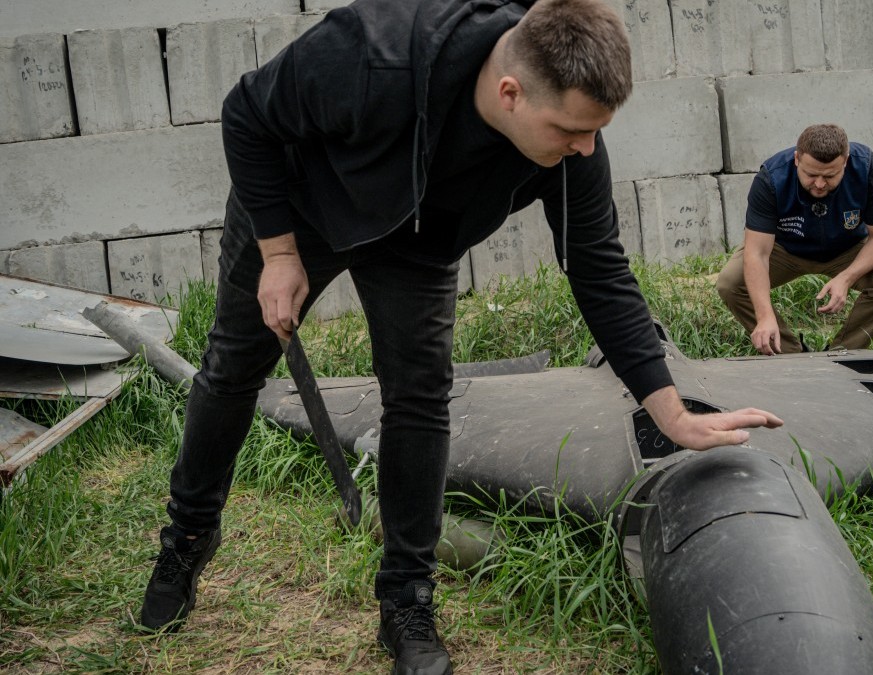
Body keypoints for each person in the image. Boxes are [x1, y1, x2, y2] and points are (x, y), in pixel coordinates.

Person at [137, 0, 783, 673]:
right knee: (233, 369)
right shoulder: (370, 52)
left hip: (417, 237)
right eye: (570, 129)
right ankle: (185, 538)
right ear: (510, 93)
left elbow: (599, 270)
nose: (586, 147)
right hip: (297, 206)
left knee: (420, 395)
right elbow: (246, 114)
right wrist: (276, 252)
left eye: (595, 131)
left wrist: (668, 407)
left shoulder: (572, 146)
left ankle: (407, 603)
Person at [716, 124, 873, 354]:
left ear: (845, 162)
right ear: (797, 159)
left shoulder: (868, 168)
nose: (819, 183)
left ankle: (842, 354)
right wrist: (764, 316)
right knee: (730, 283)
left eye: (829, 176)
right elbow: (757, 253)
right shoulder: (771, 178)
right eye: (811, 174)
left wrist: (847, 278)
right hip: (785, 249)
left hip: (848, 248)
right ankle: (790, 355)